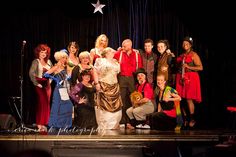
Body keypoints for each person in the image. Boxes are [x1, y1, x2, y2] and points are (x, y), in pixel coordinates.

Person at [114, 39, 143, 127]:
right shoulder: (119, 53)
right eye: (122, 46)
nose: (123, 48)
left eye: (124, 46)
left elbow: (140, 67)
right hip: (122, 78)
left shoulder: (137, 54)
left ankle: (132, 122)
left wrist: (140, 79)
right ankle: (123, 121)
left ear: (130, 46)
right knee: (122, 100)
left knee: (133, 100)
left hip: (132, 78)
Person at [175, 36, 203, 128]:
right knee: (181, 99)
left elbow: (200, 67)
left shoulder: (194, 55)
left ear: (190, 45)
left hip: (190, 78)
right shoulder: (182, 55)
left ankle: (192, 118)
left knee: (189, 99)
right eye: (184, 44)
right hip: (181, 77)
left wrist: (188, 67)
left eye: (187, 44)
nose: (185, 45)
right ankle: (185, 118)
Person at [93, 47, 123, 130]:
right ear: (106, 53)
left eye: (113, 51)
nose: (112, 53)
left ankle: (114, 124)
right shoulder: (100, 60)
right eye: (110, 51)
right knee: (104, 105)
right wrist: (96, 83)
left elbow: (117, 74)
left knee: (115, 105)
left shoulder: (116, 62)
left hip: (114, 85)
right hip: (103, 84)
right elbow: (95, 71)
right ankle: (105, 124)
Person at [43, 50, 73, 129]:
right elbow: (45, 74)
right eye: (63, 57)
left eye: (65, 58)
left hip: (65, 89)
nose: (64, 59)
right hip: (58, 89)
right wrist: (55, 79)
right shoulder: (56, 67)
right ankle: (55, 123)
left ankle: (65, 124)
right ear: (59, 58)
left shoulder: (66, 67)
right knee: (57, 106)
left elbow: (68, 78)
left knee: (67, 105)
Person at [29, 44, 53, 132]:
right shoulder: (36, 61)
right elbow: (31, 74)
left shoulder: (49, 62)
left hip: (47, 84)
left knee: (47, 103)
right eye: (42, 52)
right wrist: (36, 83)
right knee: (42, 103)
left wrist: (50, 81)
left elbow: (52, 73)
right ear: (38, 52)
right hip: (39, 84)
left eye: (45, 52)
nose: (43, 54)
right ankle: (39, 123)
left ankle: (45, 122)